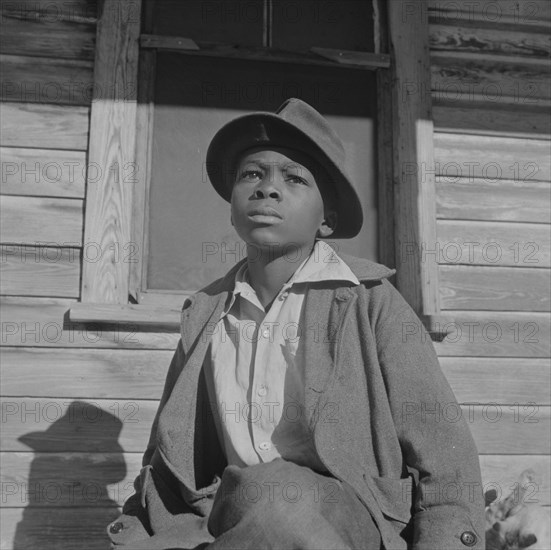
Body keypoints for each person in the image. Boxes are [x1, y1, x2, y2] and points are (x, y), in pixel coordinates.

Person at [107, 98, 485, 549]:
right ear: (231, 204)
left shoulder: (370, 301)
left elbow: (440, 445)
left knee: (282, 500)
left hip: (350, 520)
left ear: (326, 219)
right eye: (251, 174)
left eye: (294, 178)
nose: (267, 188)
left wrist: (446, 538)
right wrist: (137, 526)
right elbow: (168, 451)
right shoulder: (207, 313)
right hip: (232, 517)